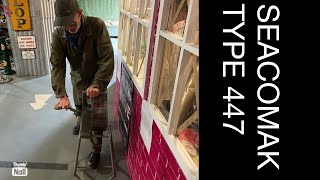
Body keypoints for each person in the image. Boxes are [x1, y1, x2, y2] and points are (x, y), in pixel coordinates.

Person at [49, 0, 114, 168]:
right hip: (78, 79)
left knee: (97, 119)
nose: (69, 26)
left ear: (80, 13)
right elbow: (57, 65)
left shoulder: (97, 25)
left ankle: (96, 151)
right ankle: (80, 120)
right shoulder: (58, 34)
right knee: (80, 108)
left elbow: (106, 58)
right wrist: (61, 94)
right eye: (64, 23)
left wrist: (98, 84)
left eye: (71, 21)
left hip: (97, 79)